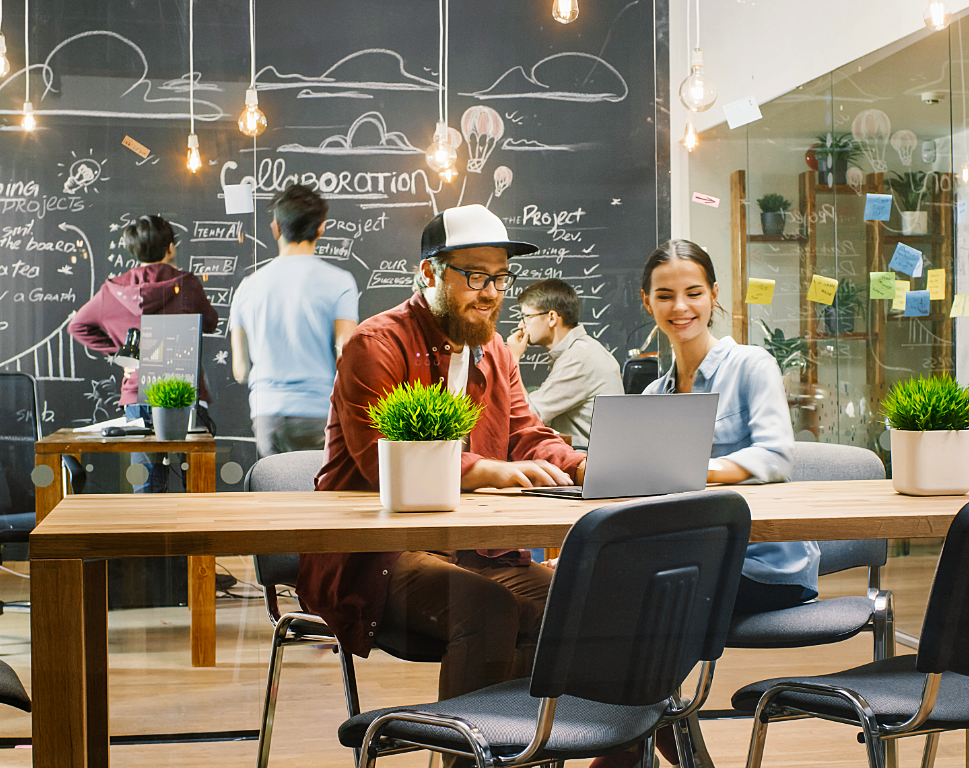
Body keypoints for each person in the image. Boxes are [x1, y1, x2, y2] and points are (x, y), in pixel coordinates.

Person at [298, 204, 586, 706]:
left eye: (500, 278)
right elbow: (378, 461)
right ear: (429, 272)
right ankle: (474, 756)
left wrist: (581, 464)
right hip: (377, 554)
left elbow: (527, 432)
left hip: (477, 549)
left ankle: (519, 755)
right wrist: (492, 470)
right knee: (490, 610)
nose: (492, 293)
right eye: (475, 276)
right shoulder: (375, 344)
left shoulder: (494, 350)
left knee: (574, 606)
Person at [589, 239, 818, 768]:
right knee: (604, 591)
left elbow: (777, 457)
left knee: (648, 600)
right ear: (647, 303)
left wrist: (690, 470)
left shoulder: (750, 365)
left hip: (765, 567)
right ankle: (653, 745)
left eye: (694, 292)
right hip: (683, 564)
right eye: (665, 295)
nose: (681, 307)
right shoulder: (653, 396)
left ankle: (622, 747)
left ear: (714, 296)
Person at [69, 214, 219, 492]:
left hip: (138, 394)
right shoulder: (187, 284)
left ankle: (151, 535)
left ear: (132, 250)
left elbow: (78, 326)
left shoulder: (112, 291)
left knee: (148, 487)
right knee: (197, 485)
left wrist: (125, 354)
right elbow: (210, 322)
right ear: (170, 247)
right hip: (184, 392)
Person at [229, 185, 358, 458]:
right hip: (320, 413)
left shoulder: (247, 288)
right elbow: (347, 353)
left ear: (276, 228)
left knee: (275, 495)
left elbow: (240, 370)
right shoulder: (340, 282)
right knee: (322, 497)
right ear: (321, 228)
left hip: (267, 413)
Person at [506, 278, 623, 447]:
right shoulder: (579, 350)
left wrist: (512, 359)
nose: (521, 325)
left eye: (527, 317)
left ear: (552, 318)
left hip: (586, 463)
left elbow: (529, 415)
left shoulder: (580, 357)